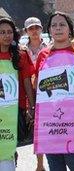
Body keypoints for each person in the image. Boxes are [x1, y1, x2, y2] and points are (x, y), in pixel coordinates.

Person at [35, 11, 74, 171]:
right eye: (54, 25)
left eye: (62, 24)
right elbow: (39, 83)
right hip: (48, 120)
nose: (58, 28)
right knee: (55, 166)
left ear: (69, 29)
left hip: (73, 119)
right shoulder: (43, 54)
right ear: (49, 30)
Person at [0, 17, 35, 171]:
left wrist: (31, 106)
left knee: (9, 146)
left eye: (9, 32)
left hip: (14, 109)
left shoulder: (20, 55)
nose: (7, 35)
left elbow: (27, 82)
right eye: (2, 32)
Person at [23, 16, 47, 171]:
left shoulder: (50, 47)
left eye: (36, 27)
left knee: (49, 129)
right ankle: (40, 165)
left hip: (47, 93)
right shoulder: (21, 51)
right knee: (36, 131)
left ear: (41, 29)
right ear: (26, 31)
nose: (34, 30)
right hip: (28, 94)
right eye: (31, 28)